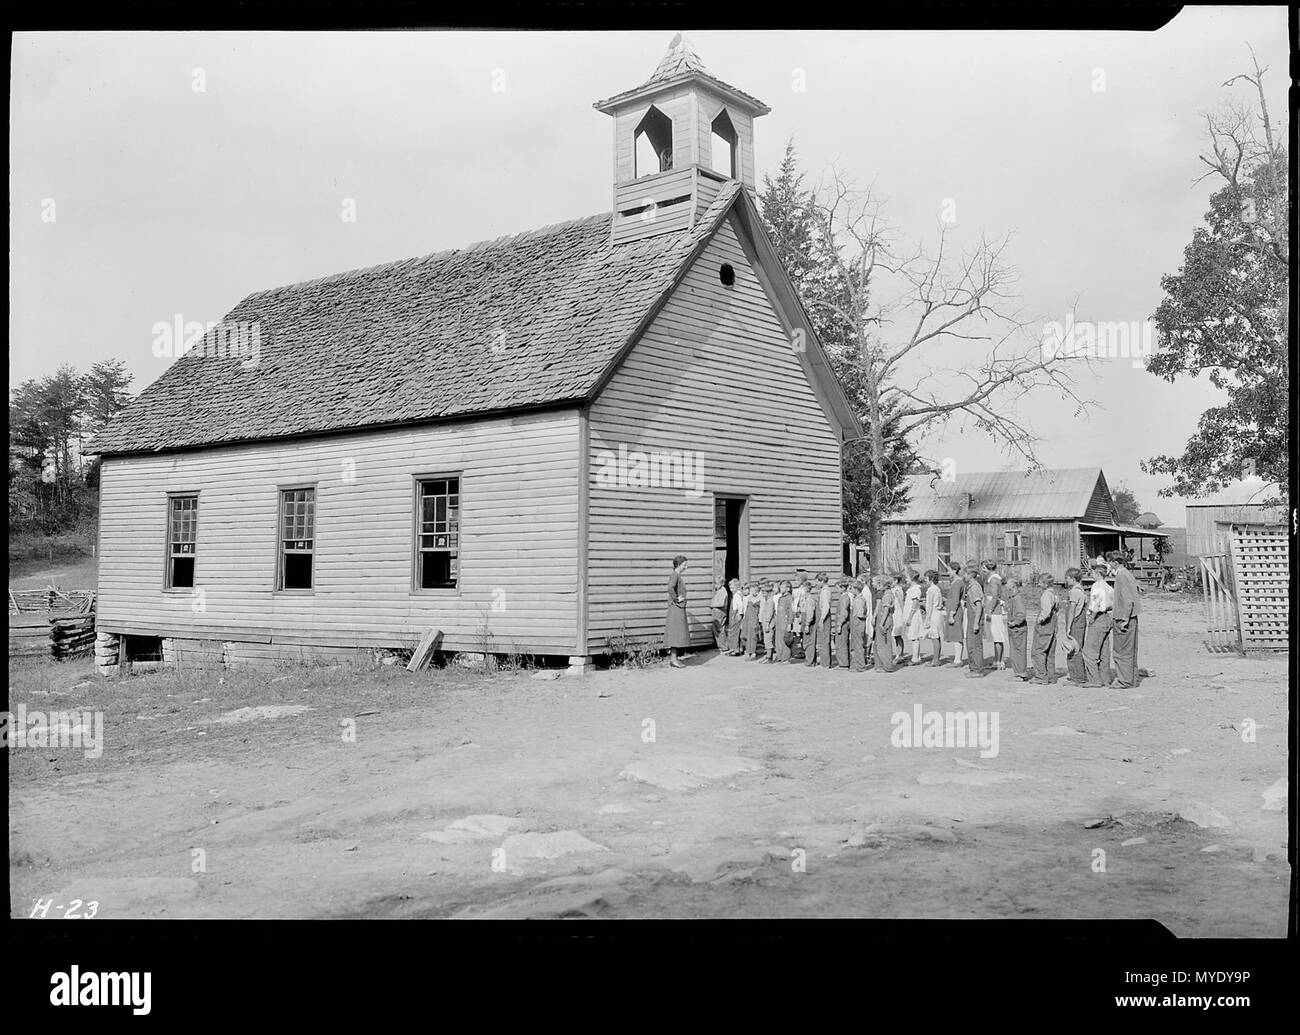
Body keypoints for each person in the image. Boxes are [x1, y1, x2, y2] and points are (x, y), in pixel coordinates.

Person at [1109, 551, 1143, 687]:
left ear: (1115, 563)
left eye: (1110, 562)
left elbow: (1128, 600)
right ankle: (1131, 679)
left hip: (1124, 617)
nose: (1109, 565)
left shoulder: (1121, 576)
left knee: (1121, 651)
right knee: (1130, 650)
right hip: (1131, 616)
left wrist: (1124, 619)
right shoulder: (1127, 573)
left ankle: (1124, 681)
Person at [1083, 562, 1115, 687]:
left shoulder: (1097, 586)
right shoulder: (1109, 587)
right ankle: (1105, 678)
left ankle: (1094, 679)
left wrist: (1092, 617)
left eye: (1092, 572)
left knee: (1089, 651)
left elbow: (1096, 604)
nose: (1091, 574)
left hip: (1098, 617)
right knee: (1103, 651)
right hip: (1108, 617)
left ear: (1097, 574)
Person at [1029, 573, 1059, 684]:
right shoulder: (1054, 594)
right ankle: (1050, 676)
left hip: (1045, 625)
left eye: (1040, 582)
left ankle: (1041, 676)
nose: (1038, 584)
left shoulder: (1046, 595)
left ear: (1045, 584)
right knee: (1050, 652)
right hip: (1053, 624)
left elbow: (1046, 611)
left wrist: (1040, 619)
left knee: (1038, 651)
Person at [663, 555, 691, 668]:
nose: (686, 567)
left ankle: (674, 658)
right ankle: (674, 660)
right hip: (676, 609)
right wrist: (676, 599)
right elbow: (670, 588)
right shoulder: (675, 575)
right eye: (685, 565)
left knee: (677, 633)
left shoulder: (677, 575)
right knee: (676, 633)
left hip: (678, 608)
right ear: (679, 565)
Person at [1063, 568, 1089, 685]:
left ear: (1073, 579)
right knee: (1078, 647)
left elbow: (1072, 611)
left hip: (1076, 622)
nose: (1066, 580)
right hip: (1081, 622)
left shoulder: (1074, 592)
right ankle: (1079, 675)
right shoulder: (1081, 590)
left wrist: (1068, 627)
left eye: (1067, 578)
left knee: (1073, 649)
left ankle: (1077, 677)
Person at [963, 566, 988, 677]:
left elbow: (979, 606)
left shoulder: (974, 587)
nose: (963, 576)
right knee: (970, 644)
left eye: (965, 574)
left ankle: (978, 669)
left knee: (975, 645)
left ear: (970, 575)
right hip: (971, 617)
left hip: (975, 618)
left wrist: (976, 622)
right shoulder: (970, 587)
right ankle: (973, 668)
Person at [806, 572, 834, 669]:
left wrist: (822, 619)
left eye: (817, 582)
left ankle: (825, 663)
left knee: (824, 641)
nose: (816, 584)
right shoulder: (823, 591)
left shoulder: (825, 592)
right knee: (822, 640)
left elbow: (825, 606)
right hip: (822, 617)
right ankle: (824, 662)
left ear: (822, 581)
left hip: (824, 618)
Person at [871, 575, 898, 673]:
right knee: (880, 643)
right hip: (883, 619)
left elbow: (886, 610)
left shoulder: (887, 595)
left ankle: (887, 666)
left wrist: (881, 623)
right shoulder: (887, 594)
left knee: (885, 644)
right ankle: (882, 664)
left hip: (885, 620)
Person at [1004, 576, 1029, 679]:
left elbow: (1021, 614)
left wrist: (1014, 623)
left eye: (1010, 589)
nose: (1008, 592)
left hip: (1018, 628)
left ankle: (1021, 673)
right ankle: (1017, 672)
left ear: (1014, 588)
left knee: (1019, 651)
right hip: (1014, 628)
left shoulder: (1017, 599)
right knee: (1014, 650)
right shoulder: (1013, 598)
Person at [984, 560, 1006, 669]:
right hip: (995, 611)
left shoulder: (993, 580)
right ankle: (997, 660)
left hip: (995, 612)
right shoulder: (994, 579)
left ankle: (999, 661)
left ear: (988, 568)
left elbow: (994, 596)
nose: (983, 570)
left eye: (984, 568)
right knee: (996, 636)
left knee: (997, 637)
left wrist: (990, 610)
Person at [942, 564, 966, 666]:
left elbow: (956, 599)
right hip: (953, 609)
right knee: (955, 635)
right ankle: (957, 658)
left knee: (957, 635)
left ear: (955, 570)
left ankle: (958, 660)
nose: (948, 573)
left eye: (949, 570)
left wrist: (952, 614)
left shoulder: (958, 583)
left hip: (955, 611)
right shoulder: (956, 582)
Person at [903, 569, 925, 664]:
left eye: (907, 577)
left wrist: (910, 617)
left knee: (914, 636)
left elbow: (915, 603)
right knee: (913, 635)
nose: (906, 579)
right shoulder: (911, 589)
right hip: (911, 614)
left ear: (912, 578)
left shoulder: (916, 589)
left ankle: (915, 658)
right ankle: (917, 656)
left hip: (914, 615)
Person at [924, 570, 945, 666]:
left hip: (933, 614)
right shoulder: (937, 589)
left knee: (934, 637)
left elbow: (930, 606)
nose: (925, 580)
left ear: (931, 579)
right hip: (938, 613)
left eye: (926, 578)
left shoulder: (931, 590)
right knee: (937, 636)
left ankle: (936, 660)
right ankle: (936, 658)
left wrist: (927, 619)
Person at [849, 579, 870, 671]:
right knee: (856, 644)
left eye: (851, 588)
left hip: (858, 623)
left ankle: (861, 665)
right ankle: (857, 664)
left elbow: (861, 613)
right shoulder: (859, 598)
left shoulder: (858, 600)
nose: (850, 590)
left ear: (856, 589)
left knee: (858, 644)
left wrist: (857, 616)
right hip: (858, 623)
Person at [773, 580, 794, 663]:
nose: (780, 588)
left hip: (785, 622)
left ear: (788, 588)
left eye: (782, 587)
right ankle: (780, 657)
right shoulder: (780, 598)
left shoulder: (789, 598)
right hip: (779, 621)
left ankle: (786, 658)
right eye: (780, 587)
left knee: (785, 639)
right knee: (778, 639)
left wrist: (789, 623)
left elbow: (791, 611)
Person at [835, 577, 852, 668]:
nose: (837, 590)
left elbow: (844, 613)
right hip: (842, 623)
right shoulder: (843, 597)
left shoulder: (845, 598)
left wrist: (839, 624)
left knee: (842, 643)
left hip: (843, 624)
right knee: (840, 642)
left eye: (837, 588)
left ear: (842, 588)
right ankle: (842, 662)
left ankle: (844, 664)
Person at [741, 582, 761, 659]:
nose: (752, 592)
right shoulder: (749, 598)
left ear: (757, 591)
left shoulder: (759, 599)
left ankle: (753, 652)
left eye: (754, 591)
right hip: (747, 618)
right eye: (751, 591)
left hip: (754, 619)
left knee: (753, 636)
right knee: (745, 635)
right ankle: (748, 650)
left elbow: (760, 610)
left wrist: (759, 620)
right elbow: (746, 609)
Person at [710, 576, 729, 652]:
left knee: (720, 629)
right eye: (715, 584)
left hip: (720, 612)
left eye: (717, 584)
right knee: (716, 629)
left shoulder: (723, 591)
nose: (716, 586)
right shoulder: (719, 590)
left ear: (722, 584)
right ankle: (720, 646)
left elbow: (721, 603)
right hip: (716, 612)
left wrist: (712, 605)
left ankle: (724, 646)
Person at [726, 578, 745, 656]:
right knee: (733, 631)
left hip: (735, 614)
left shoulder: (737, 595)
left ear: (737, 587)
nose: (731, 589)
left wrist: (739, 614)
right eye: (730, 588)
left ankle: (736, 650)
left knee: (734, 632)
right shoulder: (736, 594)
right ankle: (734, 648)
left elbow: (740, 605)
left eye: (733, 588)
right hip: (734, 613)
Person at [758, 581, 777, 661]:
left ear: (769, 593)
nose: (763, 594)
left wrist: (766, 624)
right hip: (766, 623)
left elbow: (769, 614)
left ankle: (769, 657)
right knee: (766, 640)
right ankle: (768, 656)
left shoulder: (770, 602)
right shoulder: (767, 601)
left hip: (768, 624)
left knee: (768, 640)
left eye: (764, 593)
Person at [891, 573, 907, 662]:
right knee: (895, 635)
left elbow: (901, 602)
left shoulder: (897, 590)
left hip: (898, 613)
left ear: (896, 581)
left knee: (898, 634)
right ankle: (898, 653)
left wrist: (903, 613)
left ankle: (900, 654)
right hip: (895, 613)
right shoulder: (894, 589)